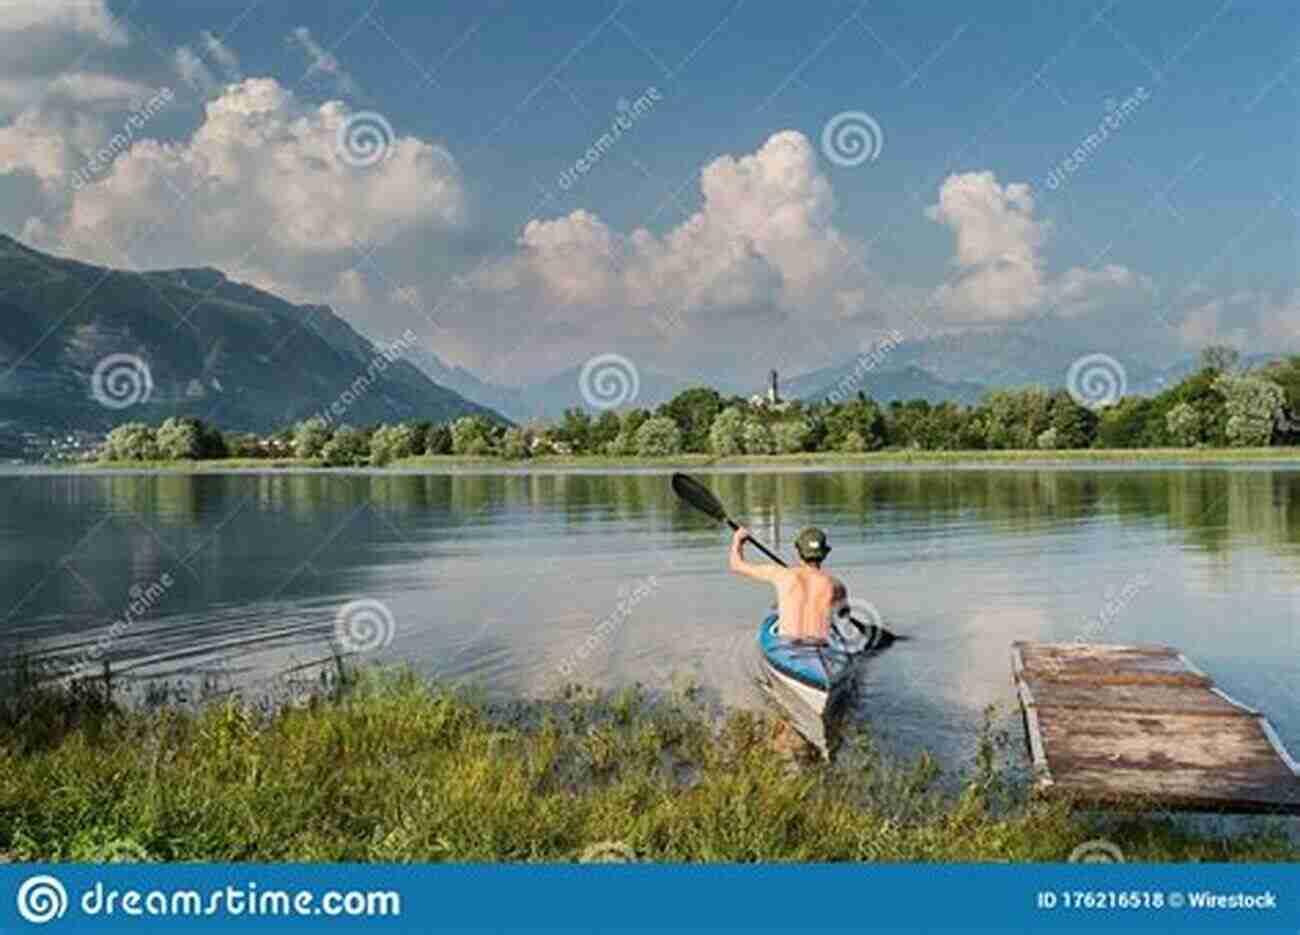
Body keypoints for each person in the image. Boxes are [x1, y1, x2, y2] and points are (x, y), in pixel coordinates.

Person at [728, 525, 847, 642]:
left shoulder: (782, 575)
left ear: (798, 551)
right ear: (825, 553)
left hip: (787, 644)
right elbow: (843, 615)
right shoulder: (837, 586)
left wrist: (738, 540)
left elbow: (737, 564)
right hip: (819, 648)